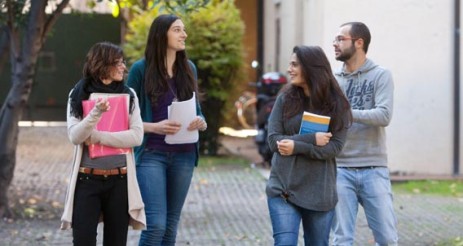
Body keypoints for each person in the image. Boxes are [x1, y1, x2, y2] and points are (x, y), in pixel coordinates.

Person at [126, 14, 207, 246]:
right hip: (152, 154)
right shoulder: (140, 70)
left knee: (171, 225)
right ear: (162, 35)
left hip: (185, 154)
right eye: (177, 30)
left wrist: (200, 121)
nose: (184, 35)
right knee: (156, 225)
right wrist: (154, 127)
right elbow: (125, 117)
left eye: (183, 30)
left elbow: (197, 110)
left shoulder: (188, 68)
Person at [60, 42, 146, 245]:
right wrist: (95, 113)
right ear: (101, 64)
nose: (123, 68)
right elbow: (75, 136)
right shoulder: (78, 94)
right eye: (118, 63)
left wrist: (98, 137)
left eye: (123, 63)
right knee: (83, 241)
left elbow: (136, 137)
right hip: (87, 181)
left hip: (120, 180)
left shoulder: (129, 95)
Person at [266, 45, 352, 246]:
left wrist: (295, 146)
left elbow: (334, 147)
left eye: (295, 64)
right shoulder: (285, 98)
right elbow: (273, 140)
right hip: (284, 189)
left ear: (311, 67)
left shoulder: (338, 104)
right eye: (290, 64)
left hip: (319, 193)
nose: (289, 69)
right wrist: (311, 140)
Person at [331, 22, 399, 245]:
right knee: (341, 239)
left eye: (341, 38)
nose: (335, 43)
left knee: (388, 239)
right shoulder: (333, 81)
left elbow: (384, 116)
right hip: (340, 168)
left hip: (373, 168)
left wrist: (348, 113)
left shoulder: (381, 76)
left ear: (358, 42)